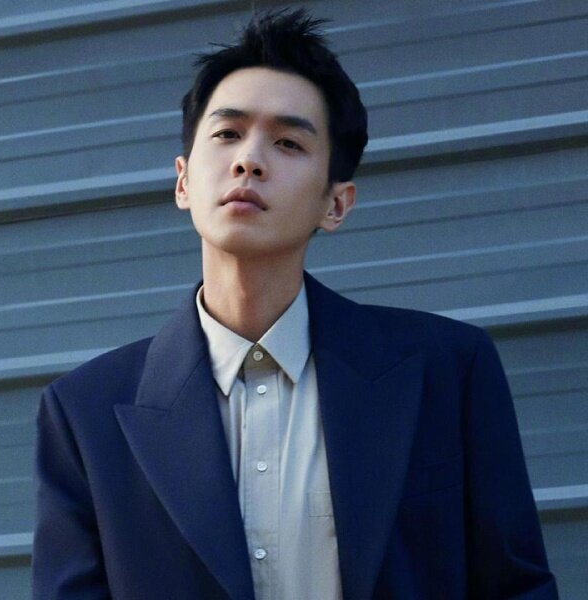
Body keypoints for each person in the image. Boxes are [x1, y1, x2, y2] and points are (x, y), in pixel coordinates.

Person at [32, 8, 558, 600]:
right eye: (227, 134)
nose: (249, 160)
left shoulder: (449, 370)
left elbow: (517, 587)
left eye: (287, 142)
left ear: (336, 204)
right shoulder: (84, 414)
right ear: (183, 181)